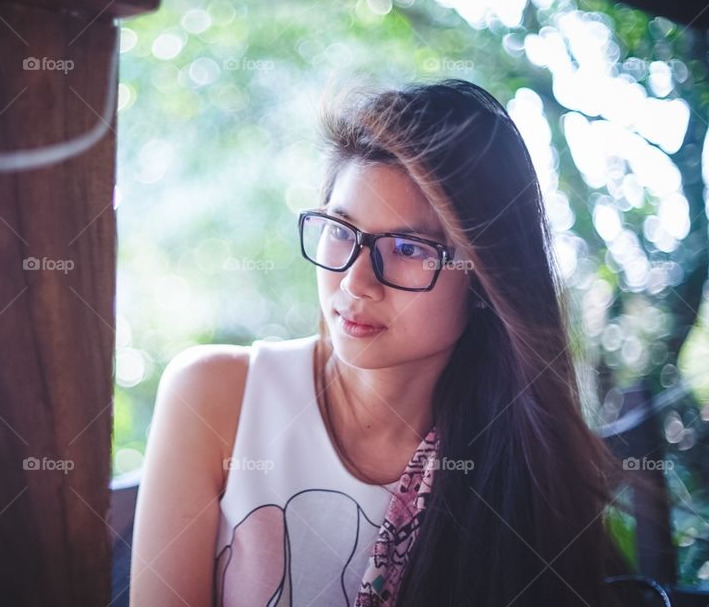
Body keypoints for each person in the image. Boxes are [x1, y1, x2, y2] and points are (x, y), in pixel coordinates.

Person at [130, 79, 636, 606]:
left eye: (407, 247)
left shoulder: (519, 466)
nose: (355, 283)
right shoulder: (215, 397)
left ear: (487, 280)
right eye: (342, 231)